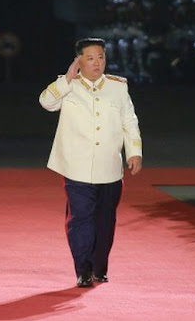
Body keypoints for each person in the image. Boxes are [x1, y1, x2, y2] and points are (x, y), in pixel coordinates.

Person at [39, 38, 143, 288]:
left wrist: (134, 151)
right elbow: (46, 102)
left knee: (105, 221)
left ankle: (99, 266)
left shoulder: (118, 87)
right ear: (79, 60)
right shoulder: (68, 86)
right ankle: (83, 269)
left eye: (101, 57)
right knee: (80, 219)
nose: (97, 63)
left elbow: (129, 120)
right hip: (77, 167)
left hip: (109, 166)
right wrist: (66, 78)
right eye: (90, 58)